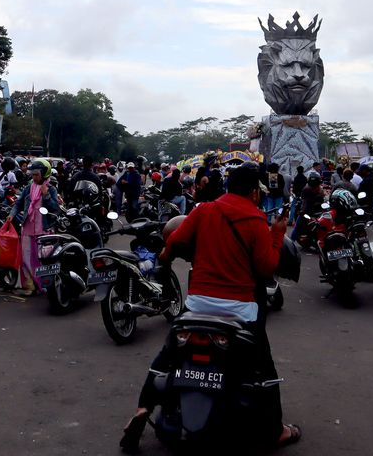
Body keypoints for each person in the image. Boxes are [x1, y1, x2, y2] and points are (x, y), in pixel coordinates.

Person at [119, 162, 300, 453]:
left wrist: (166, 258)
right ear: (255, 193)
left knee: (166, 358)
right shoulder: (255, 220)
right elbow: (267, 268)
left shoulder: (203, 210)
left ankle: (143, 409)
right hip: (240, 311)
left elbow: (175, 242)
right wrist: (277, 233)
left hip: (197, 306)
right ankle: (276, 431)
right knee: (263, 369)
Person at [11, 158, 62, 294]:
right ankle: (30, 286)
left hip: (44, 229)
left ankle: (45, 285)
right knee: (26, 258)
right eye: (32, 175)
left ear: (44, 174)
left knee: (43, 259)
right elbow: (19, 203)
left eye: (36, 175)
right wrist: (12, 214)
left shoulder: (51, 189)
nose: (34, 177)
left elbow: (55, 208)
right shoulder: (28, 188)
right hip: (28, 227)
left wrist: (46, 196)